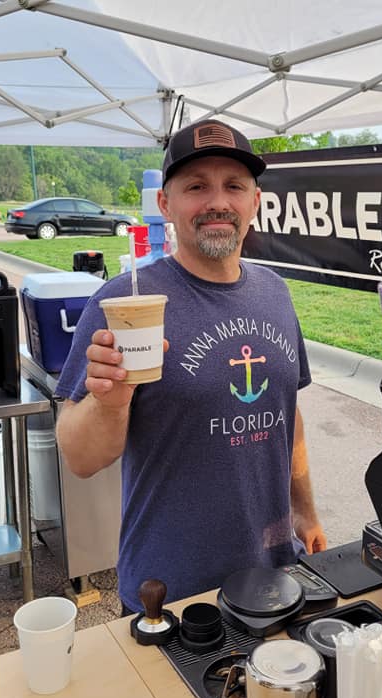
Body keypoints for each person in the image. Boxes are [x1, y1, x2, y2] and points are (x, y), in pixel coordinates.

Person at [54, 119, 327, 614]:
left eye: (234, 186)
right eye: (197, 187)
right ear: (166, 204)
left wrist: (304, 511)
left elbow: (288, 414)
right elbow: (79, 457)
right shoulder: (124, 303)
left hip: (272, 569)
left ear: (255, 202)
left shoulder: (275, 293)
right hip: (169, 588)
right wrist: (110, 404)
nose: (218, 202)